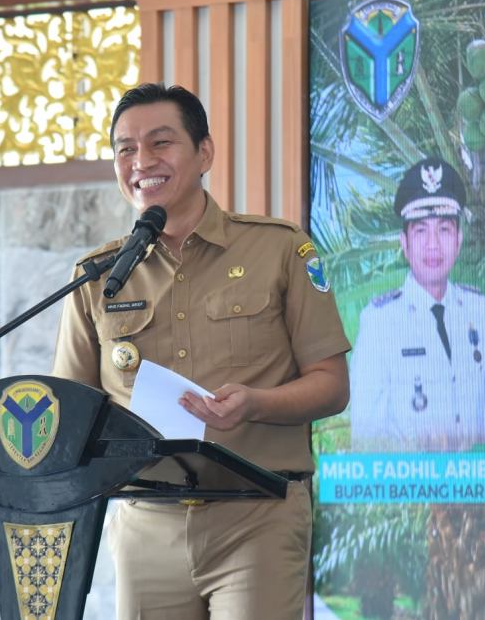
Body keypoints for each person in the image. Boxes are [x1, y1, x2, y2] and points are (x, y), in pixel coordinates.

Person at [51, 83, 350, 619]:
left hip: (257, 515)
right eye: (125, 149)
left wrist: (255, 404)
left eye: (160, 143)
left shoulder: (280, 248)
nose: (142, 161)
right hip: (145, 521)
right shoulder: (96, 276)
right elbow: (72, 409)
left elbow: (332, 384)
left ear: (204, 152)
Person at [349, 158, 485, 452]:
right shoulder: (380, 321)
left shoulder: (478, 310)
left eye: (444, 230)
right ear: (404, 243)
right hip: (411, 479)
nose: (433, 245)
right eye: (421, 231)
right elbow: (367, 437)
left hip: (477, 478)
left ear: (458, 240)